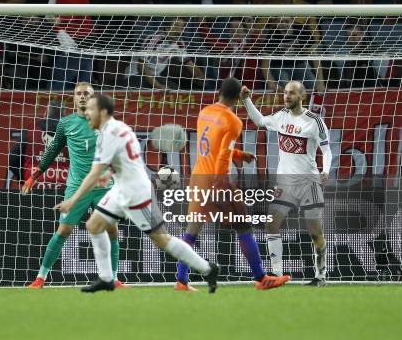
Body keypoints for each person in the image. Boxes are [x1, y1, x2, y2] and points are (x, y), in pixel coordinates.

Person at [55, 93, 220, 293]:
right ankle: (107, 278)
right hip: (121, 187)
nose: (86, 113)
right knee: (94, 225)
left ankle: (207, 268)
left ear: (104, 112)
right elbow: (125, 160)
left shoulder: (109, 134)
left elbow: (93, 174)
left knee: (162, 240)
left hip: (136, 193)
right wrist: (109, 173)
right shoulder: (117, 128)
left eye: (91, 109)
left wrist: (72, 201)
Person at [175, 77, 291, 291]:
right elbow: (221, 155)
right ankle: (261, 278)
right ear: (238, 98)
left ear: (219, 92)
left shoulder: (205, 112)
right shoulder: (233, 120)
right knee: (244, 226)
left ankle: (181, 281)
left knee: (192, 231)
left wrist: (238, 154)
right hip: (217, 180)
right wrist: (221, 183)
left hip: (198, 176)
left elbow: (211, 146)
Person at [21, 83, 125, 289]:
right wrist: (36, 175)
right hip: (77, 187)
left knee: (112, 230)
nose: (83, 97)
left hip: (104, 186)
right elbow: (52, 151)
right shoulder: (65, 124)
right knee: (63, 230)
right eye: (79, 94)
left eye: (87, 94)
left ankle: (113, 278)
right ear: (74, 98)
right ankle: (41, 277)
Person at [242, 81, 332, 286]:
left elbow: (326, 150)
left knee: (315, 232)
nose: (286, 97)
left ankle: (321, 276)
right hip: (285, 182)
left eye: (291, 94)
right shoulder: (280, 116)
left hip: (309, 182)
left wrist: (325, 171)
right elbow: (260, 121)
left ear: (303, 96)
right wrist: (246, 99)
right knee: (272, 224)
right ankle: (275, 275)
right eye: (285, 93)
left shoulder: (315, 121)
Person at [6, 0, 93, 90]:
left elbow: (67, 18)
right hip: (84, 44)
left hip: (75, 45)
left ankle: (51, 109)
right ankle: (82, 109)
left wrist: (42, 19)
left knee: (57, 85)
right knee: (83, 86)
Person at [8, 99, 69, 189]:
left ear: (45, 114)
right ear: (64, 116)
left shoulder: (30, 132)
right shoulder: (72, 135)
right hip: (64, 188)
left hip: (33, 185)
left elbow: (13, 159)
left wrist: (22, 178)